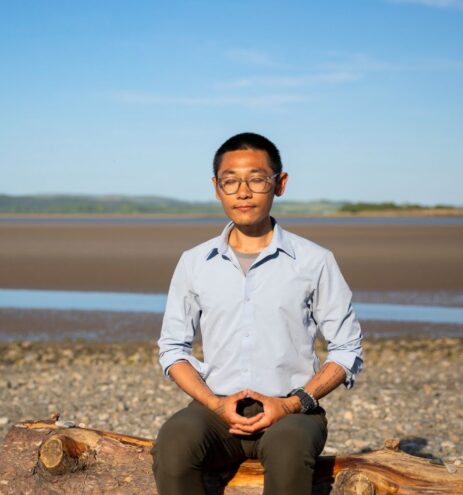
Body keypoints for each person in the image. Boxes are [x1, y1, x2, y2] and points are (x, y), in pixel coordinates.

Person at [151, 132, 364, 495]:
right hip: (217, 410)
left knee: (289, 451)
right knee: (173, 445)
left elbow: (346, 349)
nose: (243, 192)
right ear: (216, 188)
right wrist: (215, 404)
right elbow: (172, 348)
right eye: (231, 181)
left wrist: (292, 404)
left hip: (293, 412)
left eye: (257, 179)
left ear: (279, 184)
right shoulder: (194, 262)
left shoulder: (314, 261)